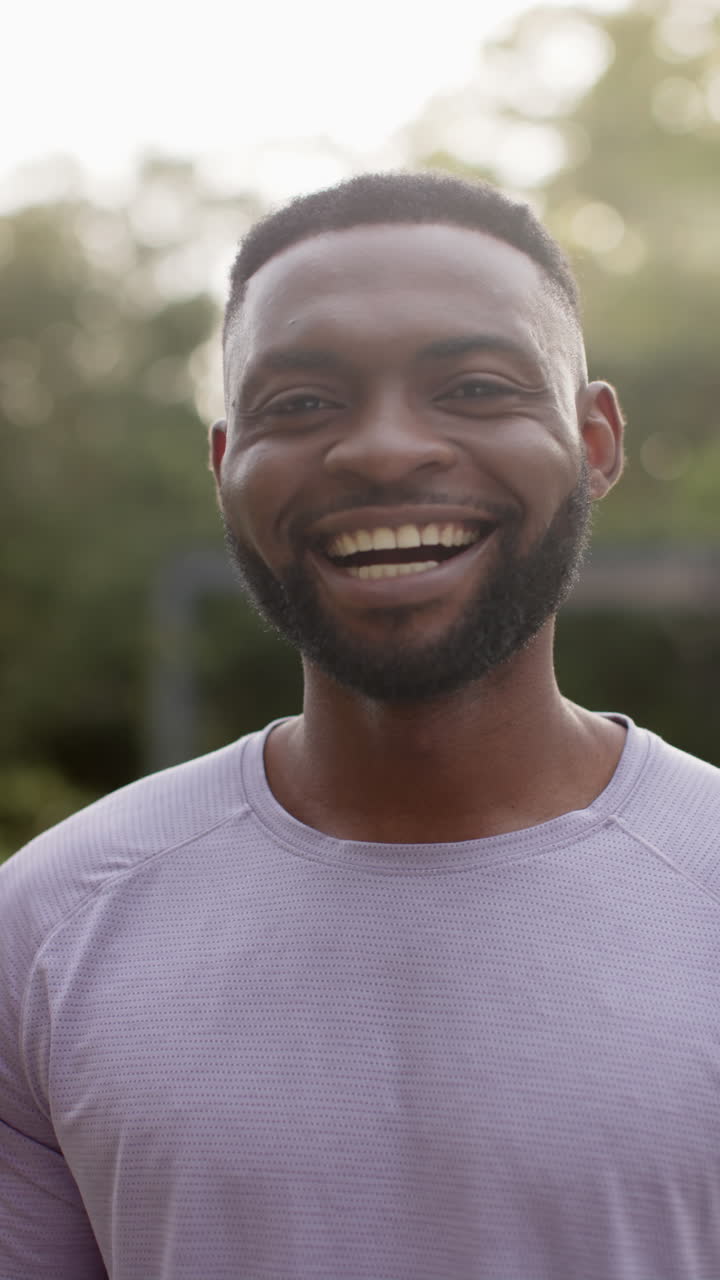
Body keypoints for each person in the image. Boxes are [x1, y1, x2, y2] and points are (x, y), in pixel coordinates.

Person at [1, 171, 720, 1280]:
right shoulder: (48, 926)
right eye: (300, 403)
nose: (384, 451)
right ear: (225, 465)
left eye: (476, 385)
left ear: (596, 439)